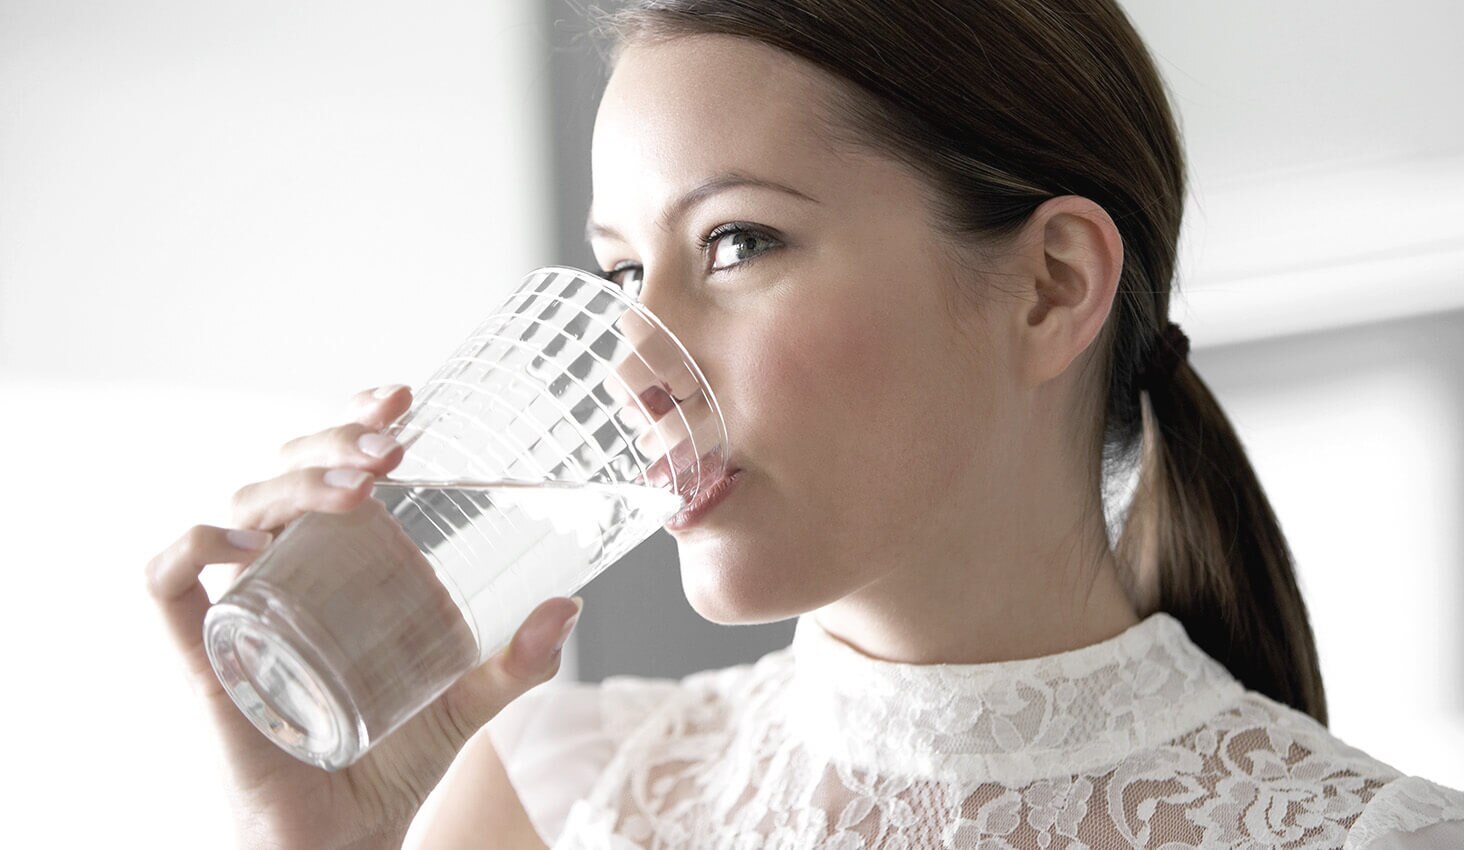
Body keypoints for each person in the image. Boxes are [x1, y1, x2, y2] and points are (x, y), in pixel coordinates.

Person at [146, 1, 1464, 847]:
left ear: (1053, 285)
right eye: (620, 274)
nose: (630, 370)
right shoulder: (550, 800)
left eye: (736, 240)